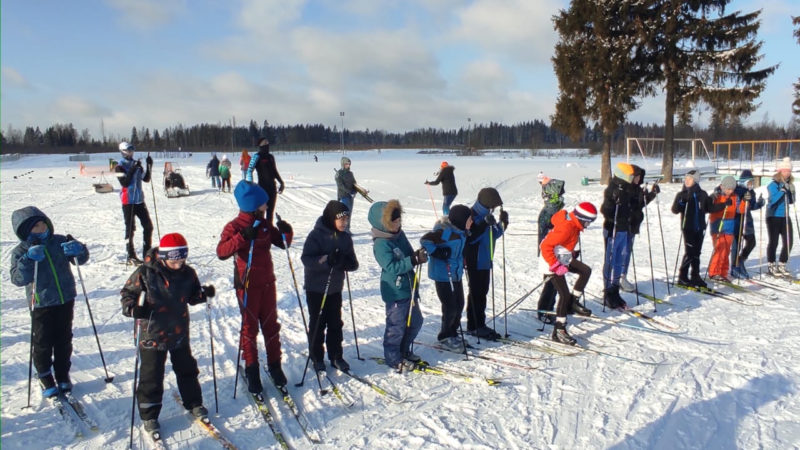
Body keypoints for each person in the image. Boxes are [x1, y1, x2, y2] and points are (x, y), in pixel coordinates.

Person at [120, 233, 212, 435]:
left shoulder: (188, 273)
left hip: (178, 331)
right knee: (151, 375)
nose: (179, 263)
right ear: (163, 256)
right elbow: (127, 294)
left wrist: (204, 295)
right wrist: (133, 309)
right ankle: (149, 414)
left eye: (182, 259)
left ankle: (194, 403)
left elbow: (193, 296)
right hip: (152, 333)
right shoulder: (146, 272)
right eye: (174, 259)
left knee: (187, 368)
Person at [216, 180, 293, 393]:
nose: (267, 207)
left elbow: (283, 243)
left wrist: (287, 231)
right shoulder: (235, 227)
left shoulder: (266, 225)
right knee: (250, 328)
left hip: (267, 283)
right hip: (247, 285)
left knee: (271, 325)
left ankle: (275, 366)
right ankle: (252, 370)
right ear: (253, 205)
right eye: (263, 204)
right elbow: (221, 251)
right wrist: (242, 237)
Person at [10, 207, 89, 398]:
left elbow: (81, 259)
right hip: (40, 302)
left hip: (65, 297)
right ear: (25, 231)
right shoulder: (21, 251)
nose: (41, 227)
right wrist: (28, 259)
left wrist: (79, 250)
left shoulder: (59, 241)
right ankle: (45, 375)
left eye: (43, 222)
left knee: (64, 340)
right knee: (43, 341)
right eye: (36, 226)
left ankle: (62, 374)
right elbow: (18, 279)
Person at [367, 199, 428, 372]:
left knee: (415, 321)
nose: (398, 224)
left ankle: (403, 350)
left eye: (399, 220)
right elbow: (391, 267)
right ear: (383, 223)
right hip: (395, 290)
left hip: (410, 287)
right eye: (394, 222)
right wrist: (412, 260)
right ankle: (393, 358)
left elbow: (408, 255)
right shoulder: (381, 244)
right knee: (396, 326)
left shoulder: (399, 235)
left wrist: (418, 255)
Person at [300, 201, 359, 372]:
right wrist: (326, 260)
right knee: (318, 323)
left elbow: (353, 264)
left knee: (335, 323)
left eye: (346, 220)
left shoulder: (345, 238)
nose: (344, 223)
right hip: (316, 288)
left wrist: (344, 262)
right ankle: (317, 356)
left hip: (334, 289)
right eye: (341, 220)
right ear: (331, 218)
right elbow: (306, 259)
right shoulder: (316, 235)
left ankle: (336, 356)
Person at [539, 202, 596, 344]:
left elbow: (563, 243)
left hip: (562, 258)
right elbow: (545, 246)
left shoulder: (573, 224)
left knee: (585, 270)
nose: (587, 226)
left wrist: (570, 252)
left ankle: (573, 303)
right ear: (582, 219)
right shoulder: (567, 227)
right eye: (588, 223)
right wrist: (555, 265)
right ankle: (559, 330)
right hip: (550, 262)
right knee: (564, 294)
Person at [420, 204, 471, 351]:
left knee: (460, 304)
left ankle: (453, 332)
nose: (471, 222)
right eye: (469, 219)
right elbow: (425, 240)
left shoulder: (462, 231)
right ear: (461, 220)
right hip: (443, 274)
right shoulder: (445, 231)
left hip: (456, 273)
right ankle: (445, 335)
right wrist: (438, 252)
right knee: (450, 307)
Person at [464, 187, 508, 339]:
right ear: (487, 204)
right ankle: (473, 325)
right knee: (476, 294)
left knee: (482, 293)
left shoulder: (487, 215)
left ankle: (479, 324)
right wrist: (483, 223)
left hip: (485, 260)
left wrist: (503, 223)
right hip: (474, 261)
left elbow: (494, 234)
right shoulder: (473, 215)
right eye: (493, 206)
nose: (494, 209)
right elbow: (470, 239)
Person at [600, 162, 636, 308]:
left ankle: (615, 289)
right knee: (611, 259)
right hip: (612, 229)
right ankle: (608, 291)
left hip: (623, 229)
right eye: (630, 176)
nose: (632, 178)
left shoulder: (627, 189)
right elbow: (605, 210)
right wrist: (613, 205)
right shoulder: (612, 189)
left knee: (619, 260)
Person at [619, 165, 659, 292]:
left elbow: (640, 205)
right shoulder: (626, 188)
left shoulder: (637, 189)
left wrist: (652, 194)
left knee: (627, 251)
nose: (638, 179)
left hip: (633, 225)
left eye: (640, 177)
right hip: (624, 225)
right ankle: (617, 277)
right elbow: (628, 206)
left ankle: (622, 276)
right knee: (622, 251)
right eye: (636, 176)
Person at [671, 170, 714, 288]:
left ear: (695, 180)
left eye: (689, 179)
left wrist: (722, 203)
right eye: (686, 178)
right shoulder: (682, 194)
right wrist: (681, 202)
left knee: (697, 253)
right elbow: (675, 210)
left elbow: (709, 208)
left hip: (699, 227)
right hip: (688, 227)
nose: (686, 181)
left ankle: (695, 276)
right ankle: (682, 276)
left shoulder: (702, 194)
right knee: (690, 253)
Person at [114, 142, 154, 265]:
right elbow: (124, 182)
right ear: (122, 152)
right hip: (128, 202)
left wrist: (149, 165)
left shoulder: (136, 165)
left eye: (132, 150)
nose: (130, 153)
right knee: (130, 228)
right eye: (128, 151)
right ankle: (130, 255)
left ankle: (147, 253)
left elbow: (146, 179)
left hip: (139, 201)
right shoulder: (119, 167)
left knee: (148, 226)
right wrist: (133, 168)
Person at [535, 174, 566, 323]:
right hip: (549, 254)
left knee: (555, 283)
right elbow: (547, 237)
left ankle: (549, 307)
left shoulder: (556, 209)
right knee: (551, 282)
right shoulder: (549, 211)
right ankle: (544, 310)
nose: (562, 196)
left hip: (558, 251)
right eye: (560, 193)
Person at [707, 176, 746, 281]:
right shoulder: (717, 196)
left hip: (729, 226)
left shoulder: (735, 197)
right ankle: (714, 272)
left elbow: (740, 211)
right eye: (728, 189)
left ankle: (723, 272)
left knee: (726, 251)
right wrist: (722, 204)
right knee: (719, 249)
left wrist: (744, 201)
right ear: (722, 187)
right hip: (718, 225)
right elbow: (711, 208)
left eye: (732, 189)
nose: (730, 191)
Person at [730, 170, 765, 279]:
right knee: (737, 245)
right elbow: (736, 207)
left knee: (752, 242)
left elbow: (751, 206)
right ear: (744, 182)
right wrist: (743, 200)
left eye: (752, 182)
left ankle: (741, 259)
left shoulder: (751, 192)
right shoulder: (736, 191)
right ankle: (734, 267)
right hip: (737, 221)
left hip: (747, 222)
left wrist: (759, 204)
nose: (751, 184)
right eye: (749, 182)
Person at [766, 157, 795, 276]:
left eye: (789, 171)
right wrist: (781, 191)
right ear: (780, 171)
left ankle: (782, 263)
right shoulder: (773, 184)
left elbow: (792, 201)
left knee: (789, 241)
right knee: (774, 241)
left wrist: (790, 192)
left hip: (785, 216)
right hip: (773, 216)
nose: (787, 173)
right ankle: (771, 264)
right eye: (785, 170)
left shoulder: (790, 184)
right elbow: (772, 201)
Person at [246, 138, 285, 225]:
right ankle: (258, 232)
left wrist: (281, 182)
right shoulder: (256, 157)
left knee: (270, 212)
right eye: (265, 145)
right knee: (261, 213)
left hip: (272, 187)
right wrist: (250, 184)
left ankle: (269, 232)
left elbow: (274, 171)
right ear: (260, 146)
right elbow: (249, 170)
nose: (267, 146)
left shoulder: (271, 157)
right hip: (262, 188)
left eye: (268, 144)